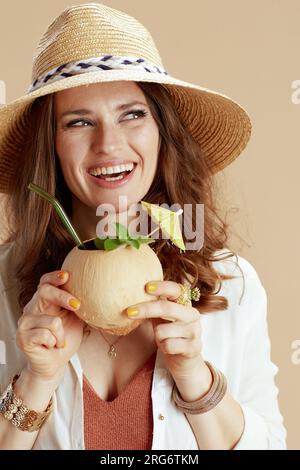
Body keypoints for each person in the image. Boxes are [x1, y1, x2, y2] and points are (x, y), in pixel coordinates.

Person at [0, 3, 286, 450]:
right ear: (50, 147)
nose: (108, 144)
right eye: (79, 122)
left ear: (161, 131)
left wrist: (195, 376)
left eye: (132, 114)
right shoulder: (5, 284)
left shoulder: (232, 284)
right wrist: (37, 379)